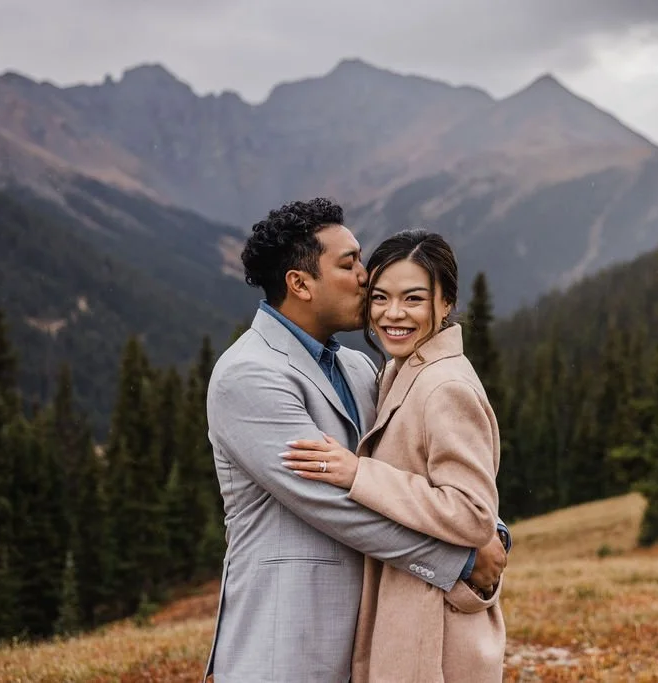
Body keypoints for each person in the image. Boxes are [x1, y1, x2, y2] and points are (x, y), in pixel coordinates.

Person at [202, 199, 508, 683]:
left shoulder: (361, 366)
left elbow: (414, 474)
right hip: (287, 647)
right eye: (349, 264)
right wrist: (463, 558)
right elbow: (337, 503)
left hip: (369, 643)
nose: (367, 277)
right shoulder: (249, 375)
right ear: (300, 284)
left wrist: (489, 528)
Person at [283, 229, 507, 682]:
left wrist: (358, 474)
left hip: (434, 632)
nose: (393, 314)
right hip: (409, 613)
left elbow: (472, 514)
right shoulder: (398, 371)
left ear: (446, 305)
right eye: (380, 298)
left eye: (414, 299)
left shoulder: (445, 387)